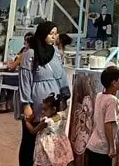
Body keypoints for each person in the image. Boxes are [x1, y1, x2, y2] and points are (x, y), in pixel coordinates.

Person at [16, 21, 70, 166]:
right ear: (42, 34)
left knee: (50, 137)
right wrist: (26, 104)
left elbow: (61, 75)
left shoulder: (56, 54)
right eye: (51, 33)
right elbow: (25, 80)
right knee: (30, 139)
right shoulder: (30, 54)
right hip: (36, 102)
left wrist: (65, 95)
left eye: (55, 34)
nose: (54, 36)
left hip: (53, 102)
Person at [32, 92, 75, 166]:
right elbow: (65, 109)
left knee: (46, 162)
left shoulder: (46, 122)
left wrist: (27, 122)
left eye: (45, 109)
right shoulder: (62, 115)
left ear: (54, 110)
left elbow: (33, 131)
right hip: (61, 144)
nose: (42, 112)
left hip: (48, 146)